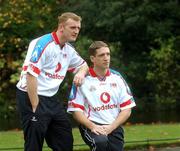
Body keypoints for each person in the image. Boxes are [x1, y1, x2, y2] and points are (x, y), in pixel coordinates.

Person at [16, 12, 88, 151]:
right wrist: (35, 106)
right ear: (61, 27)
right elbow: (31, 75)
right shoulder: (43, 44)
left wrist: (81, 73)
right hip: (30, 95)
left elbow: (83, 65)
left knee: (65, 138)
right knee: (34, 143)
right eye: (73, 27)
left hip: (51, 99)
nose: (76, 31)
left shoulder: (68, 50)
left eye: (78, 28)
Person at [67, 41, 136, 151]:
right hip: (91, 125)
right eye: (101, 55)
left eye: (108, 54)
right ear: (92, 58)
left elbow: (127, 109)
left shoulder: (117, 77)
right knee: (100, 142)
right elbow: (76, 112)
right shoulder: (82, 80)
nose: (106, 58)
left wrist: (111, 127)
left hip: (113, 125)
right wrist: (93, 126)